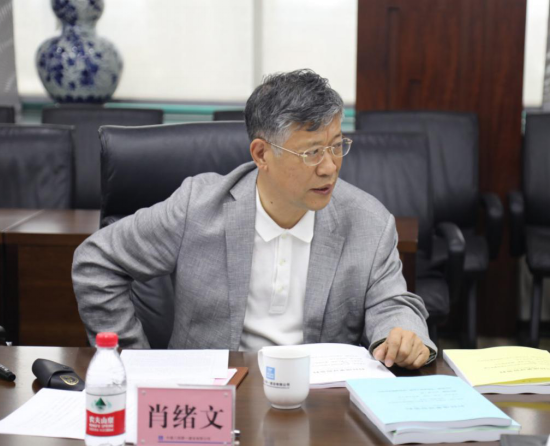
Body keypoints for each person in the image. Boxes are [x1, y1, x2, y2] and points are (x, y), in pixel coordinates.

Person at [72, 69, 436, 369]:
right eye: (311, 152)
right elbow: (96, 261)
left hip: (317, 403)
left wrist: (401, 334)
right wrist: (132, 362)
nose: (329, 167)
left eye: (337, 146)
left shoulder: (368, 221)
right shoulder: (198, 207)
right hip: (210, 397)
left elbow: (393, 302)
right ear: (262, 154)